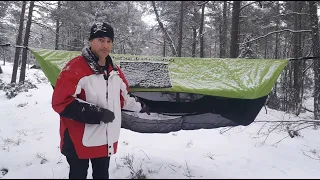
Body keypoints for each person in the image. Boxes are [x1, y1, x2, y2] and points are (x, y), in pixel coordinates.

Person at [51, 22, 149, 179]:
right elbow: (60, 102)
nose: (105, 45)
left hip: (105, 139)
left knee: (102, 175)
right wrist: (97, 114)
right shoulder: (75, 68)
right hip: (78, 141)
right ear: (91, 41)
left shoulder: (115, 72)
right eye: (101, 40)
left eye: (109, 41)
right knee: (78, 175)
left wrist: (142, 106)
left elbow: (122, 99)